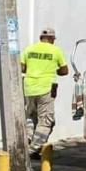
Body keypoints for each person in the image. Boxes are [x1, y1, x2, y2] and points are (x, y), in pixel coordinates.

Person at [21, 27, 69, 157]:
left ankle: (27, 141)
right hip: (46, 88)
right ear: (52, 38)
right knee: (46, 121)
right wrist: (53, 70)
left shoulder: (29, 49)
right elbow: (64, 71)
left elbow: (22, 67)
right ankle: (32, 150)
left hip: (29, 88)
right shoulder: (55, 50)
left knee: (30, 116)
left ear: (41, 37)